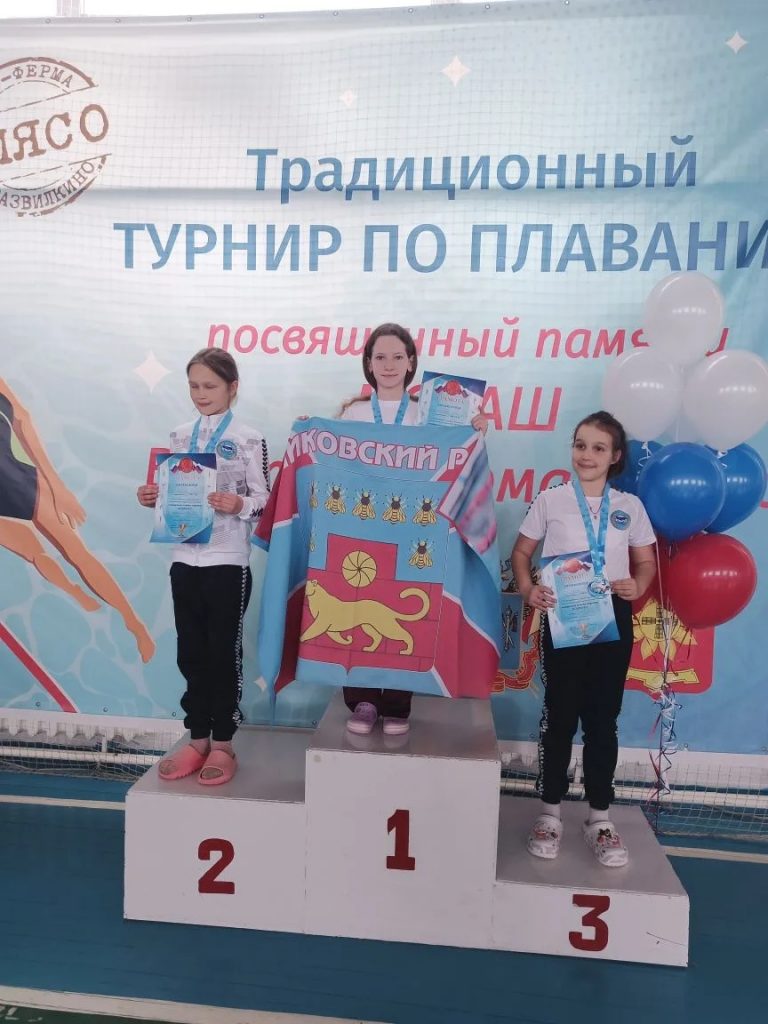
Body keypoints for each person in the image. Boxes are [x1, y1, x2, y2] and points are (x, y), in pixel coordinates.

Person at [511, 411, 656, 867]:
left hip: (612, 616)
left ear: (615, 457)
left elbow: (646, 563)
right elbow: (521, 553)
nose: (586, 455)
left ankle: (599, 818)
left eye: (598, 448)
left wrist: (639, 585)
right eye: (580, 445)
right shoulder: (551, 500)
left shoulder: (630, 507)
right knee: (559, 715)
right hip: (565, 615)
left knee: (602, 719)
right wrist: (528, 589)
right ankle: (549, 813)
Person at [337, 322, 488, 738]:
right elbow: (336, 463)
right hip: (364, 526)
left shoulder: (432, 412)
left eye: (397, 357)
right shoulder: (354, 414)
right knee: (359, 608)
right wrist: (310, 432)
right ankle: (363, 700)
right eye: (380, 357)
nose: (388, 365)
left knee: (404, 612)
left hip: (415, 528)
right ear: (368, 364)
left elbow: (458, 460)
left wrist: (473, 431)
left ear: (411, 363)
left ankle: (398, 701)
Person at [137, 349, 269, 785]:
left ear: (233, 387)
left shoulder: (249, 438)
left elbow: (266, 500)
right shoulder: (178, 436)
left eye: (210, 385)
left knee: (222, 653)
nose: (201, 394)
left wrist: (239, 504)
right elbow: (170, 490)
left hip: (227, 562)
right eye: (194, 385)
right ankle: (197, 739)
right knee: (190, 652)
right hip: (183, 558)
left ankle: (224, 743)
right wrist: (152, 497)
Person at [0, 377, 155, 663]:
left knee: (77, 553)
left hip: (20, 478)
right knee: (33, 552)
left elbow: (22, 419)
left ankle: (134, 625)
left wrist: (57, 485)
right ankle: (73, 591)